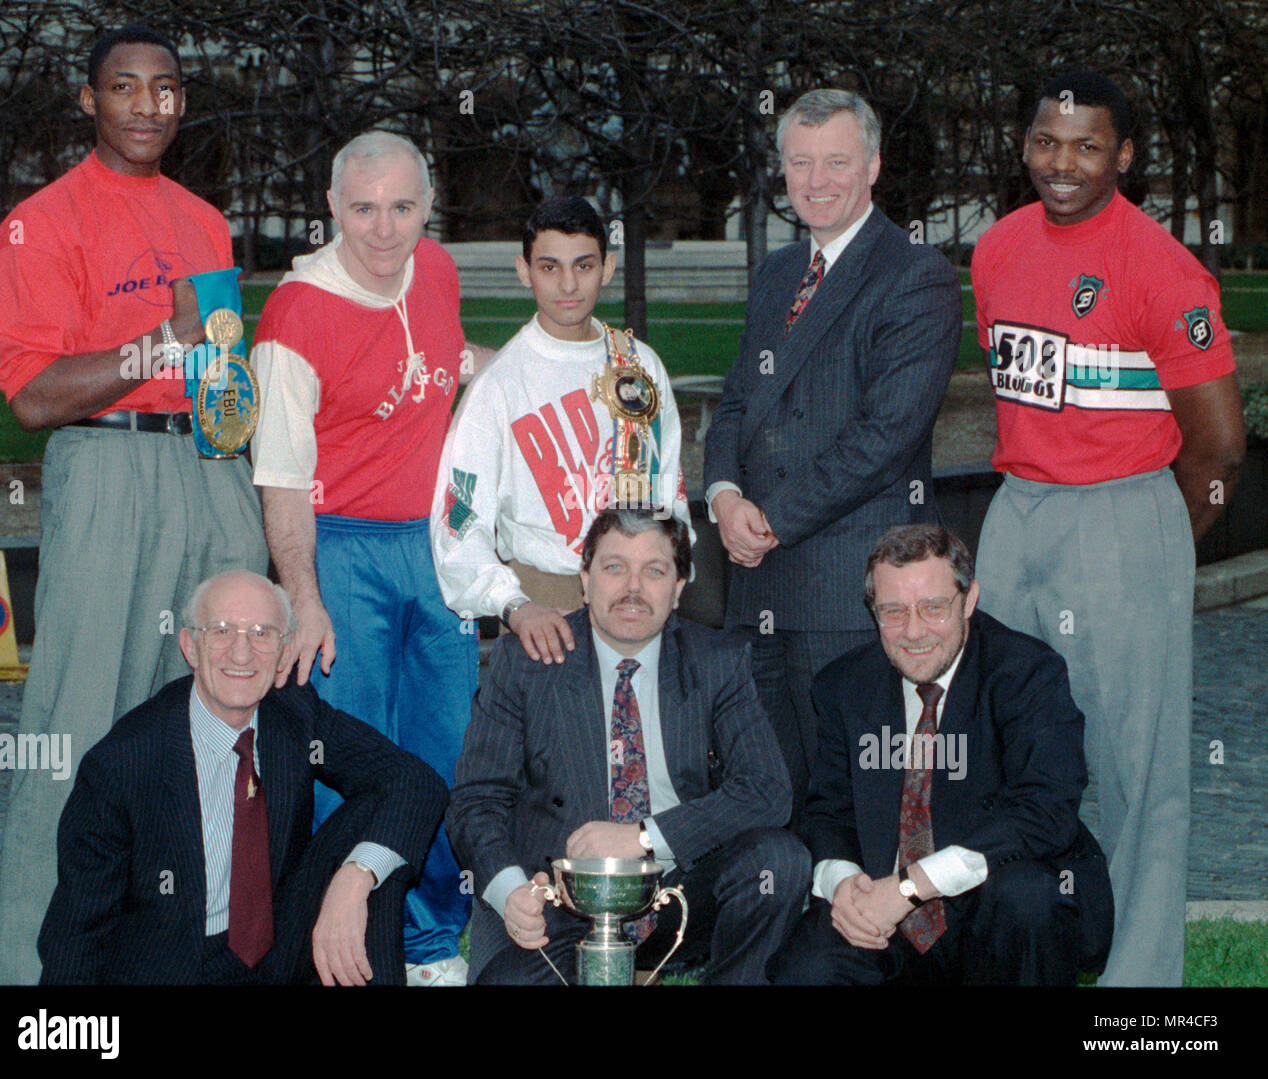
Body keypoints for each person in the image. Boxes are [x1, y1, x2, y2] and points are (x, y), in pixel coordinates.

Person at [0, 25, 268, 984]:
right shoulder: (42, 220)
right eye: (125, 86)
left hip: (210, 468)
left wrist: (235, 394)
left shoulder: (203, 220)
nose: (149, 105)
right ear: (89, 100)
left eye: (166, 89)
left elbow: (215, 363)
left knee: (216, 727)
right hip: (108, 473)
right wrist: (163, 339)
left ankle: (183, 958)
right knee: (79, 726)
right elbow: (32, 396)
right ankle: (39, 979)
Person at [970, 71, 1244, 987]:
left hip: (1125, 515)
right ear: (1025, 145)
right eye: (1048, 140)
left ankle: (1137, 994)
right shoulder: (997, 249)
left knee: (1137, 773)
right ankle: (1013, 952)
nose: (1063, 162)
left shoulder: (1165, 266)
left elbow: (1219, 446)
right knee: (996, 746)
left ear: (1124, 156)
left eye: (1088, 145)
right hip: (1018, 514)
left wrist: (1161, 549)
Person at [249, 130, 486, 985]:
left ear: (428, 206)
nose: (384, 230)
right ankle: (325, 941)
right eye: (362, 209)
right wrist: (302, 595)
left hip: (434, 544)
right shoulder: (295, 316)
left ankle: (427, 943)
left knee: (448, 747)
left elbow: (450, 370)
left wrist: (569, 373)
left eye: (402, 207)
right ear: (331, 209)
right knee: (350, 756)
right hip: (338, 543)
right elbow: (279, 477)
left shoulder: (443, 272)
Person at [703, 88, 961, 829]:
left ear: (874, 165)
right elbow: (736, 403)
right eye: (799, 163)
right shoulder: (778, 271)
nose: (815, 182)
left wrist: (772, 519)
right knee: (766, 790)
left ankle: (861, 939)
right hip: (755, 583)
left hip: (848, 587)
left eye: (837, 162)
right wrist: (722, 496)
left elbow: (885, 437)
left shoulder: (916, 274)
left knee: (856, 796)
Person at [447, 507, 809, 984]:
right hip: (563, 899)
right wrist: (511, 890)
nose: (633, 588)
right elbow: (476, 799)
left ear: (679, 588)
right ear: (585, 578)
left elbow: (767, 790)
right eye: (614, 567)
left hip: (677, 892)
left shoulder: (717, 660)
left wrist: (643, 836)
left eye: (654, 570)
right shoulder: (528, 659)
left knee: (778, 861)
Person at [38, 570, 448, 985]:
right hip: (173, 968)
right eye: (220, 631)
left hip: (276, 957)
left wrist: (356, 878)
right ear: (190, 647)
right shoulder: (121, 764)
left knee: (380, 843)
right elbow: (77, 932)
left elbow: (416, 781)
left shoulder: (293, 712)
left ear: (284, 649)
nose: (241, 653)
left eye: (260, 633)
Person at [769, 525, 1113, 986]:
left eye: (933, 608)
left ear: (969, 600)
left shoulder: (1028, 672)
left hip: (992, 903)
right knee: (805, 969)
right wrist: (845, 885)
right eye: (893, 612)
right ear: (873, 611)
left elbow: (1046, 813)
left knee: (1028, 899)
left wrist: (912, 887)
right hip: (883, 909)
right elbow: (829, 812)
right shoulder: (843, 685)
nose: (913, 632)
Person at [430, 196, 691, 665]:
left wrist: (672, 574)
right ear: (523, 270)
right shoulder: (499, 386)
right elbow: (458, 522)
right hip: (546, 599)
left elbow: (670, 491)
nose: (568, 285)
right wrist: (515, 606)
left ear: (607, 268)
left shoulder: (638, 365)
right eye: (549, 267)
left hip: (640, 593)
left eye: (583, 265)